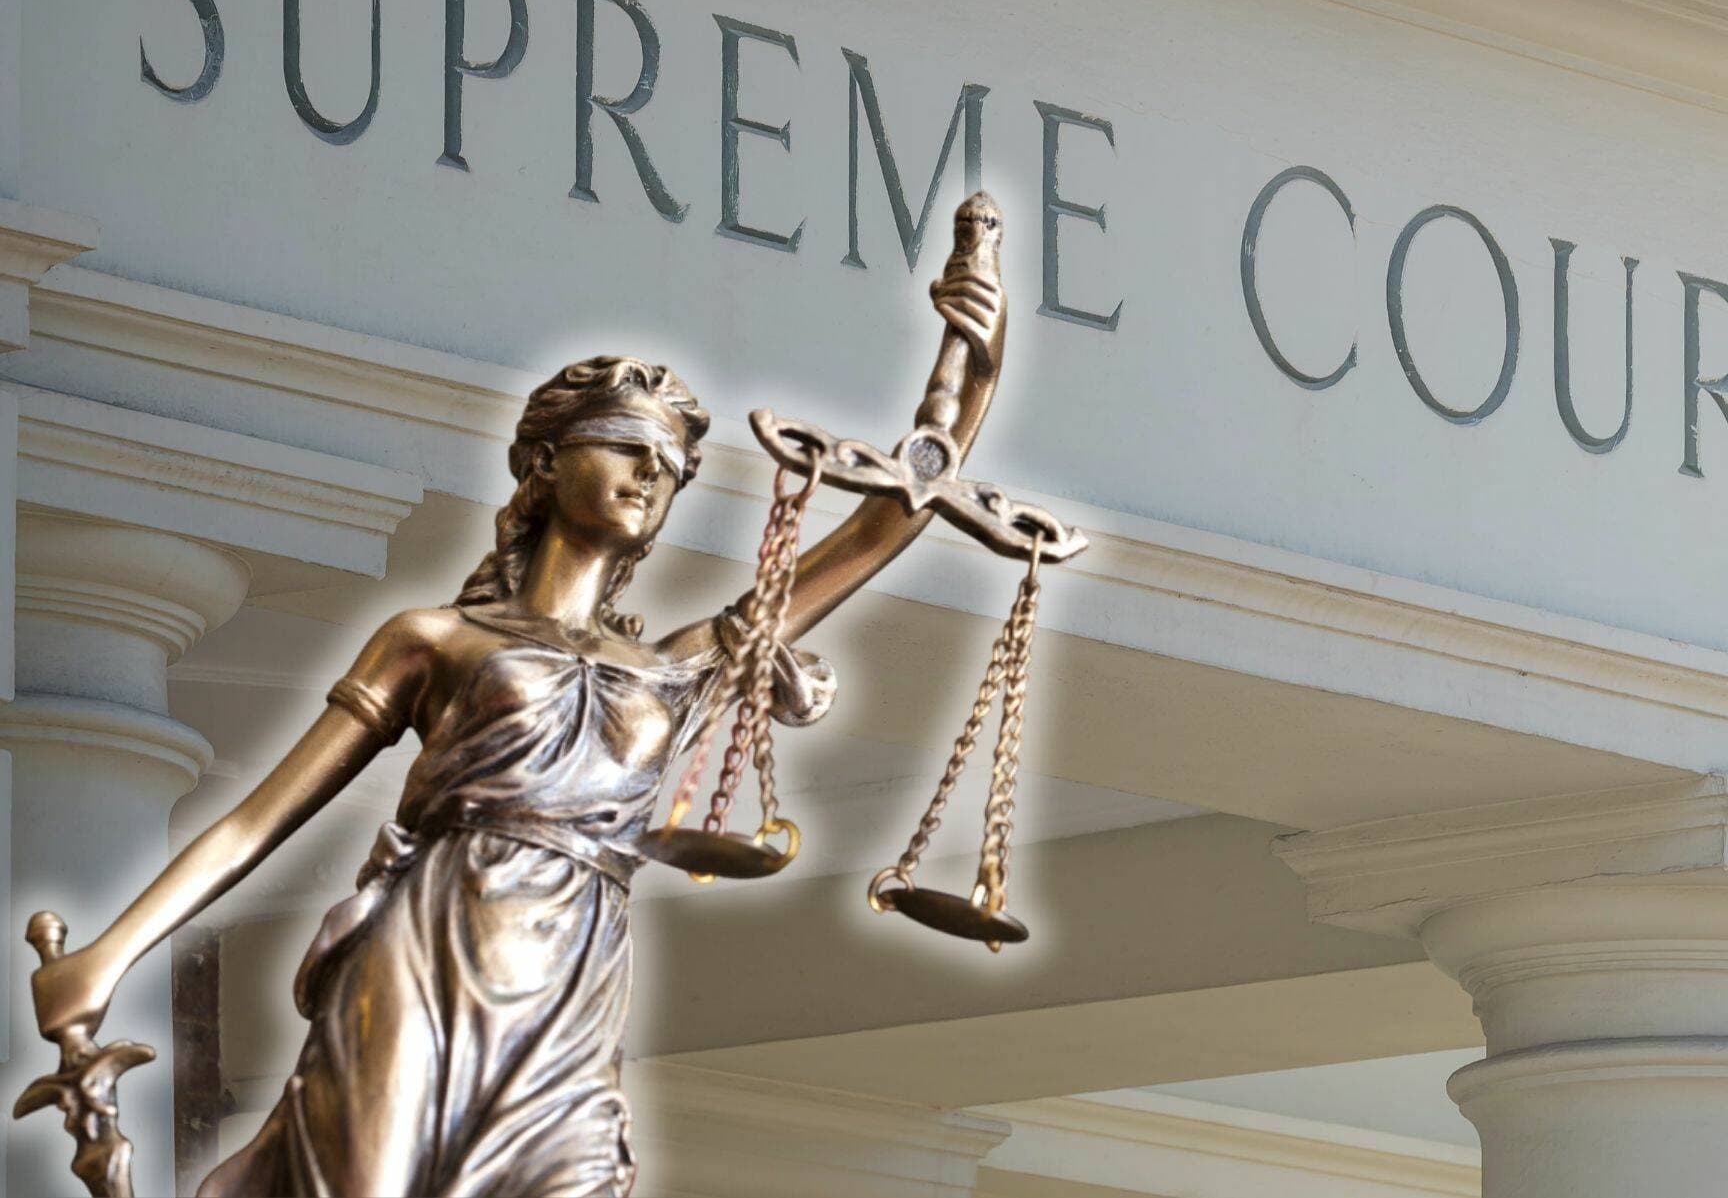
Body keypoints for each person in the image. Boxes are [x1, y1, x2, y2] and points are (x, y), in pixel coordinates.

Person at [25, 196, 1008, 1196]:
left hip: (576, 995)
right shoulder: (435, 638)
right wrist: (109, 952)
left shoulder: (676, 667)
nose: (650, 472)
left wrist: (968, 373)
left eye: (669, 465)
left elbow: (887, 521)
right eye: (627, 443)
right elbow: (255, 821)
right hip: (422, 958)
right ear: (544, 461)